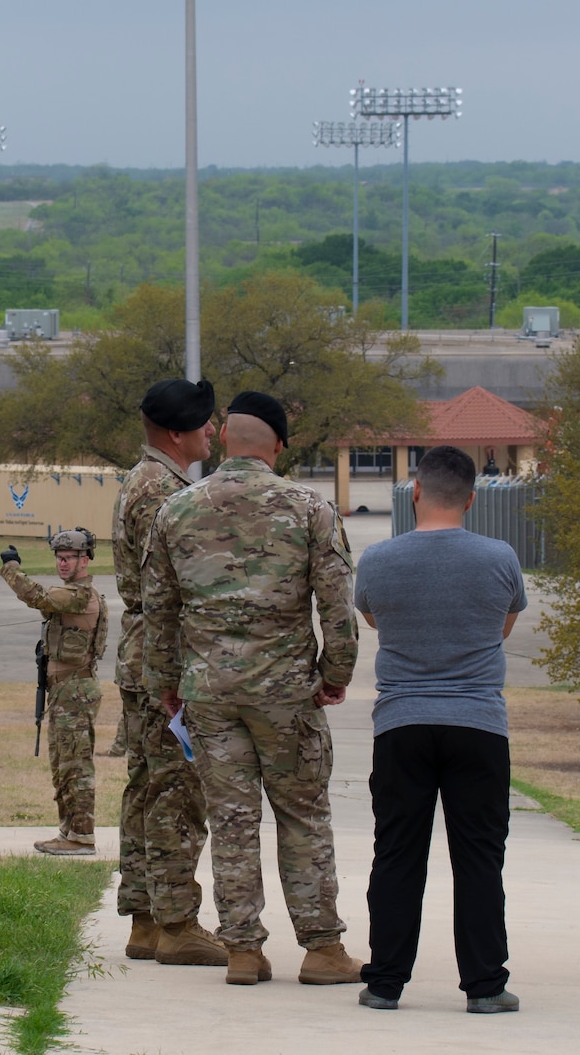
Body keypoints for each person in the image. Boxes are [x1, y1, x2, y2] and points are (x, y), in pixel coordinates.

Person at [143, 391, 363, 988]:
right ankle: (321, 949)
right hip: (286, 693)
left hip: (209, 693)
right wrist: (335, 674)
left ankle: (243, 950)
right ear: (278, 445)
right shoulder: (309, 507)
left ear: (228, 438)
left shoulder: (177, 509)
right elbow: (336, 605)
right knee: (302, 815)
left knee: (232, 820)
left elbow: (157, 608)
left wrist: (166, 684)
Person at [353, 445, 527, 1014]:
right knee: (479, 856)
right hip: (477, 721)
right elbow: (501, 628)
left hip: (402, 721)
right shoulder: (499, 556)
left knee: (398, 852)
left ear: (417, 491)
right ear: (473, 498)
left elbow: (377, 618)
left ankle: (384, 982)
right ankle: (484, 985)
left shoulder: (378, 558)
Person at [113, 378, 226, 968]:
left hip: (145, 653)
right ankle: (177, 924)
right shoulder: (164, 490)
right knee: (177, 793)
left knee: (147, 787)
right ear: (179, 432)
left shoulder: (146, 479)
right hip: (167, 657)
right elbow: (170, 590)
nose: (213, 431)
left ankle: (145, 918)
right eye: (206, 423)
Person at [3, 528, 109, 856]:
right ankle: (69, 830)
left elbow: (36, 596)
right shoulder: (70, 595)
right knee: (62, 763)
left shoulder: (79, 595)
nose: (62, 564)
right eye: (59, 558)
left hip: (75, 692)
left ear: (84, 559)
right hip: (65, 693)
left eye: (69, 558)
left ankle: (81, 836)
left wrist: (11, 568)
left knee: (75, 765)